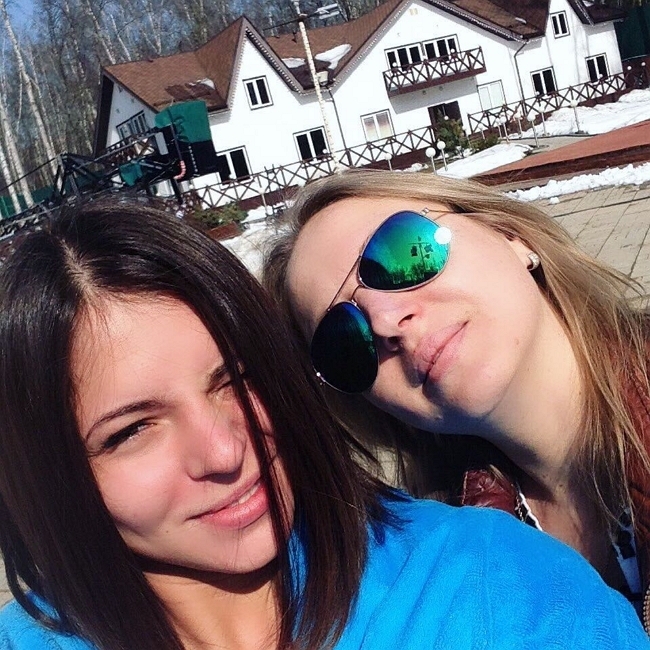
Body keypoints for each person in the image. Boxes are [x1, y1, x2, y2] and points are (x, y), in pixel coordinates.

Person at [0, 198, 646, 650]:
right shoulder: (495, 510)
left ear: (510, 233)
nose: (223, 452)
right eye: (131, 430)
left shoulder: (493, 584)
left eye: (404, 252)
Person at [263, 168, 650, 631]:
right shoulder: (450, 572)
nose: (385, 322)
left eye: (403, 252)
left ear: (510, 236)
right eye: (343, 338)